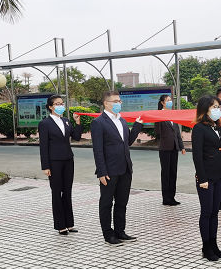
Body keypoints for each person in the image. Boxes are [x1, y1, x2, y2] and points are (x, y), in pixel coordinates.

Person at [91, 90, 143, 246]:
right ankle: (108, 234)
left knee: (122, 202)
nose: (119, 104)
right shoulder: (98, 122)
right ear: (106, 103)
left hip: (125, 168)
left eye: (119, 101)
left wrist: (137, 126)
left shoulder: (122, 121)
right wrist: (101, 171)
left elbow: (127, 142)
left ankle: (120, 231)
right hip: (109, 170)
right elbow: (98, 150)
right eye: (115, 101)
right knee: (106, 203)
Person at [191, 95, 221, 261]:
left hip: (218, 175)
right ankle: (206, 247)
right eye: (214, 107)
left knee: (215, 212)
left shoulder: (217, 126)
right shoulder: (199, 128)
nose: (218, 110)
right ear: (205, 109)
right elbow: (197, 156)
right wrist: (202, 179)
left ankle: (214, 245)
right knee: (207, 212)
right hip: (206, 177)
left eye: (218, 107)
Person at [38, 95, 82, 235]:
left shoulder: (66, 121)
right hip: (54, 162)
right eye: (57, 104)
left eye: (62, 103)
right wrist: (45, 166)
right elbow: (43, 146)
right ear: (51, 107)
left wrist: (77, 122)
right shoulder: (45, 123)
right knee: (57, 192)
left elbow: (76, 137)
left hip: (68, 160)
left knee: (67, 192)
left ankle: (69, 224)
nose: (61, 106)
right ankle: (60, 225)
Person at [154, 94, 186, 206]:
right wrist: (159, 117)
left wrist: (182, 147)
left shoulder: (173, 114)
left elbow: (177, 133)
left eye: (170, 100)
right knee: (166, 173)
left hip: (174, 148)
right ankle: (166, 198)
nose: (170, 102)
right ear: (162, 103)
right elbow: (157, 131)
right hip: (164, 148)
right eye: (167, 100)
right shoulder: (159, 115)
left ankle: (172, 197)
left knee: (173, 173)